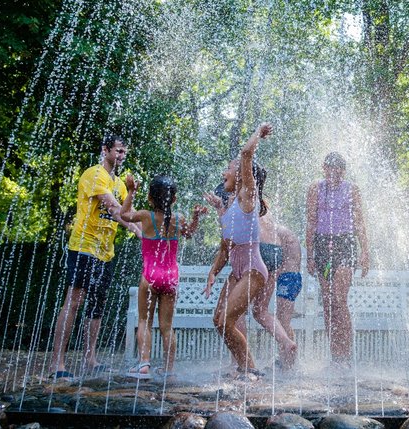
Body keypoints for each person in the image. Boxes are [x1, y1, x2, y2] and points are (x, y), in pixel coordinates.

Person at [49, 135, 141, 379]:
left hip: (105, 252)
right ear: (105, 150)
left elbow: (130, 214)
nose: (121, 156)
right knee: (74, 301)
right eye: (118, 151)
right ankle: (57, 363)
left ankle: (90, 359)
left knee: (97, 305)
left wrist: (150, 233)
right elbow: (114, 209)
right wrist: (140, 234)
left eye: (124, 152)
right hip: (84, 246)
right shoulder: (94, 174)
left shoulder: (119, 184)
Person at [204, 123, 272, 377]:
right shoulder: (232, 206)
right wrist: (213, 272)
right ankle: (245, 368)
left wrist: (258, 133)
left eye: (229, 169)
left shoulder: (247, 196)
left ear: (243, 175)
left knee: (226, 321)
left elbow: (245, 154)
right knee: (218, 321)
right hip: (237, 271)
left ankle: (250, 370)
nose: (224, 173)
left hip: (253, 270)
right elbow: (225, 248)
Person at [121, 175, 205, 379]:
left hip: (150, 277)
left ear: (150, 198)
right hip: (170, 278)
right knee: (167, 326)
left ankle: (144, 364)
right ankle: (168, 369)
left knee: (144, 321)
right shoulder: (178, 219)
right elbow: (189, 233)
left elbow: (123, 214)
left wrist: (131, 191)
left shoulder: (145, 216)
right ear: (173, 199)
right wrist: (196, 217)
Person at [305, 152, 370, 365]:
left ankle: (346, 355)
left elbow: (359, 221)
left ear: (343, 170)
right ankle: (335, 356)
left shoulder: (352, 189)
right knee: (328, 303)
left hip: (345, 244)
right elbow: (311, 221)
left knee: (339, 300)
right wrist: (310, 255)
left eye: (338, 168)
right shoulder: (315, 188)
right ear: (324, 168)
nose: (334, 172)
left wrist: (365, 251)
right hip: (323, 246)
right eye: (330, 167)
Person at [259, 214, 302, 369]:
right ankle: (285, 359)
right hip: (291, 278)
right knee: (283, 320)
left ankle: (288, 364)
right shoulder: (283, 231)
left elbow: (280, 261)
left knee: (283, 320)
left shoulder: (278, 232)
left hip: (288, 278)